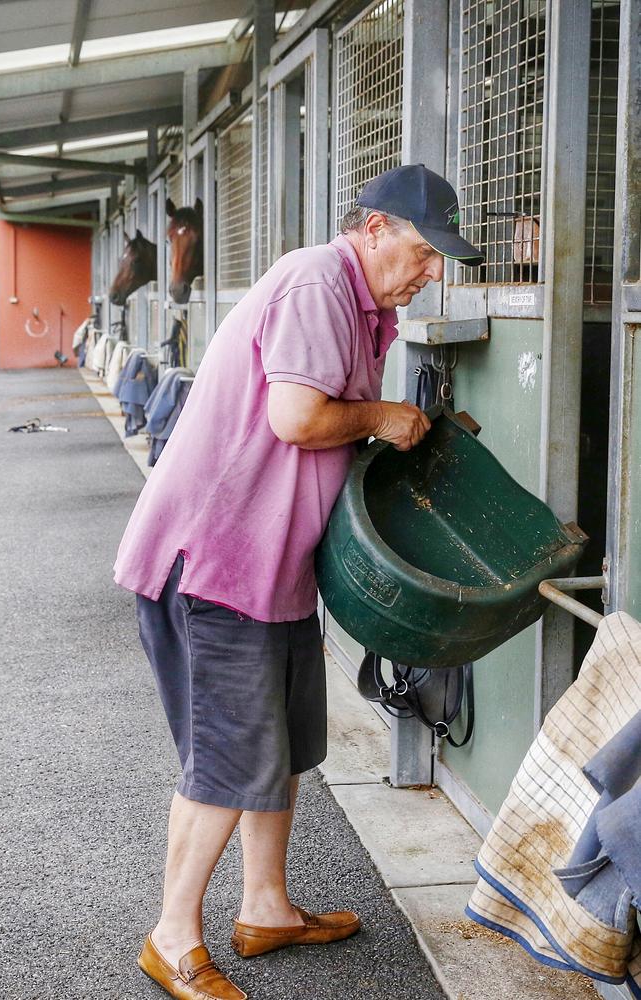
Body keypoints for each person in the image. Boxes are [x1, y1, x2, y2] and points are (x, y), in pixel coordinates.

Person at [113, 162, 484, 1000]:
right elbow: (297, 417)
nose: (432, 276)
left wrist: (409, 436)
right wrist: (385, 418)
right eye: (424, 254)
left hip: (270, 567)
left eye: (441, 263)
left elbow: (315, 432)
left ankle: (267, 907)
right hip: (215, 563)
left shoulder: (361, 306)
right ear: (375, 229)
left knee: (278, 746)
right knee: (229, 755)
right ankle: (171, 937)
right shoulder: (319, 282)